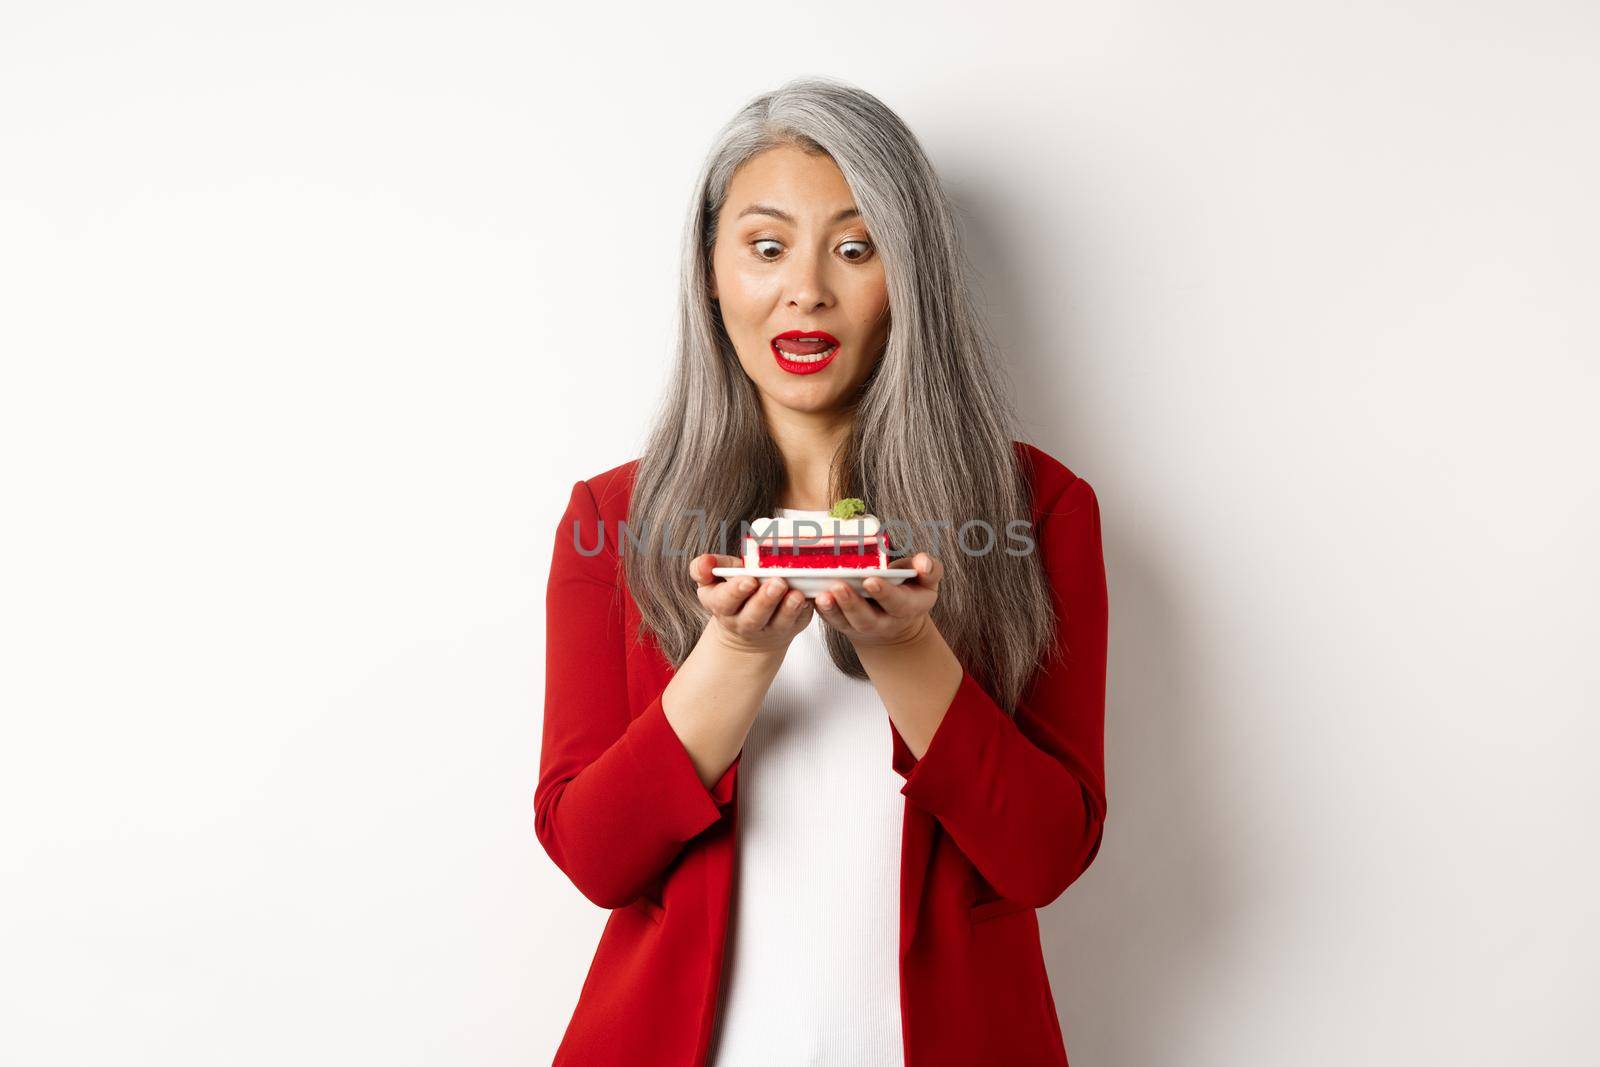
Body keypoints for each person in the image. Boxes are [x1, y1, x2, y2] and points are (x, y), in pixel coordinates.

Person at [536, 76, 1109, 1067]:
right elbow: (594, 855)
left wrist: (904, 645)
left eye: (854, 248)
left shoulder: (1038, 510)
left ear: (911, 274)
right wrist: (736, 650)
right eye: (766, 247)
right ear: (711, 272)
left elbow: (1043, 855)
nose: (806, 289)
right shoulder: (614, 519)